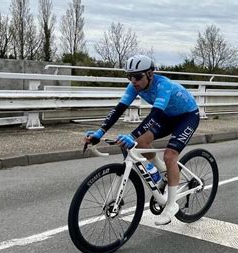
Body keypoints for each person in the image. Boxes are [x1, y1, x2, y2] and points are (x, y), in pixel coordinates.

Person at [84, 54, 200, 225]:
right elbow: (118, 109)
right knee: (142, 142)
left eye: (137, 77)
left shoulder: (163, 85)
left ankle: (171, 205)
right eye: (129, 77)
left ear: (150, 74)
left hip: (187, 116)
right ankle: (164, 174)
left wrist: (131, 136)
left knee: (170, 155)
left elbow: (155, 114)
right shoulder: (134, 87)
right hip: (166, 117)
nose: (133, 81)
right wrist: (99, 133)